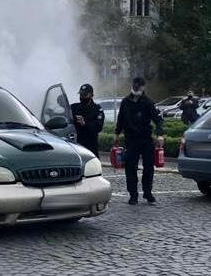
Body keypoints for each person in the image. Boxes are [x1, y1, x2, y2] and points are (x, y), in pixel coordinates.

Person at [114, 76, 164, 205]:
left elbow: (158, 120)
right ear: (132, 86)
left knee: (148, 167)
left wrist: (160, 135)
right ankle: (133, 195)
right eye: (135, 85)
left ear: (143, 87)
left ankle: (147, 193)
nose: (136, 88)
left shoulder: (148, 102)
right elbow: (121, 119)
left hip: (146, 139)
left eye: (139, 86)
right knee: (130, 168)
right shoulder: (125, 102)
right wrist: (117, 134)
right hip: (131, 139)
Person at [70, 84, 105, 157]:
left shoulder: (97, 109)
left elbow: (98, 127)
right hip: (77, 146)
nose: (82, 97)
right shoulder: (74, 107)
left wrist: (85, 123)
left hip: (91, 147)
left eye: (85, 95)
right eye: (81, 94)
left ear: (92, 95)